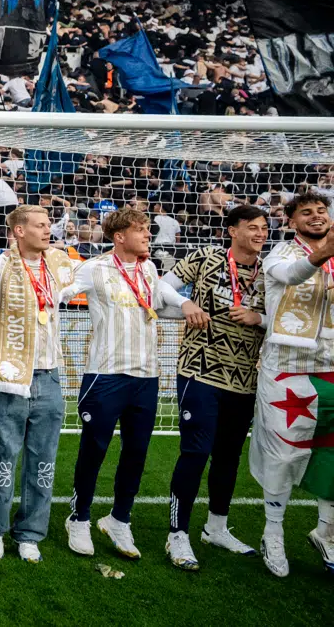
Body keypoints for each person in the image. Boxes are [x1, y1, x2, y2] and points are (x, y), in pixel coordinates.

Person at [60, 208, 208, 560]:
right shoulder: (95, 268)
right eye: (140, 230)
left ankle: (119, 519)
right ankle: (79, 518)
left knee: (137, 452)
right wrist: (53, 298)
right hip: (105, 375)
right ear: (120, 237)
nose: (147, 235)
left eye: (147, 230)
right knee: (94, 450)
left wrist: (185, 301)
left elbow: (161, 292)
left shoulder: (148, 267)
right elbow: (63, 291)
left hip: (146, 375)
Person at [159, 204, 269, 570]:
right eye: (252, 227)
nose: (260, 233)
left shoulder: (271, 271)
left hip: (245, 378)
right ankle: (177, 533)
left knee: (228, 456)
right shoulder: (205, 256)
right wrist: (185, 301)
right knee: (196, 451)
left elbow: (286, 319)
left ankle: (216, 528)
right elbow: (162, 287)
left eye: (264, 228)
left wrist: (259, 318)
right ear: (232, 230)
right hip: (199, 371)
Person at [0, 205, 77, 562]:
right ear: (20, 231)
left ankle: (31, 532)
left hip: (49, 375)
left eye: (48, 224)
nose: (47, 230)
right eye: (40, 225)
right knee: (2, 456)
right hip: (10, 375)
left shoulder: (60, 265)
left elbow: (96, 275)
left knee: (44, 460)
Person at [247, 192, 334, 577]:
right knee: (282, 456)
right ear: (292, 222)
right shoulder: (280, 255)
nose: (316, 216)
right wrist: (324, 252)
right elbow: (292, 276)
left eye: (321, 211)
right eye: (307, 213)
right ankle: (273, 533)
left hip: (333, 370)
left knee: (332, 456)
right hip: (289, 371)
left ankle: (326, 533)